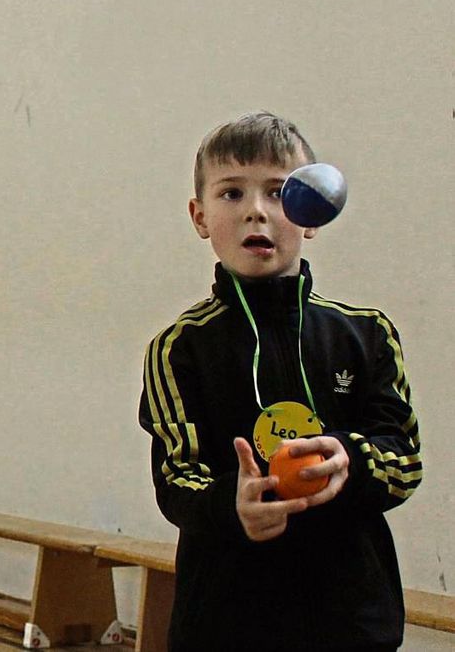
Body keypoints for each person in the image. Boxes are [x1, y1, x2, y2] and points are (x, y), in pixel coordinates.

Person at [139, 111, 423, 652]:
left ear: (312, 214)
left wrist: (349, 460)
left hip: (351, 619)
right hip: (226, 622)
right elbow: (177, 479)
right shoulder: (178, 348)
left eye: (278, 192)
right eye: (231, 194)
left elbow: (404, 460)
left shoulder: (366, 334)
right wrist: (234, 503)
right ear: (199, 217)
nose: (256, 212)